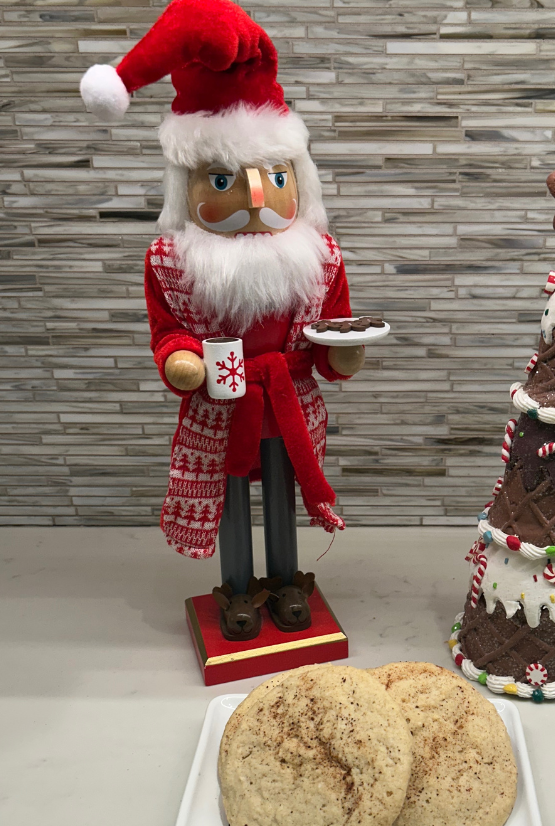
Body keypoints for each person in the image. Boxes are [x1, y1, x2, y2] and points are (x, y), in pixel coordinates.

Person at [80, 0, 364, 614]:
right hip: (222, 404)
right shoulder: (172, 262)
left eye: (276, 178)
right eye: (223, 180)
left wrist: (341, 356)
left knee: (282, 492)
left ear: (299, 180)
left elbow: (331, 326)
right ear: (186, 188)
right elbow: (169, 330)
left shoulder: (321, 256)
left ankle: (287, 582)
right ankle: (237, 589)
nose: (257, 198)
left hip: (289, 404)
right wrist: (181, 358)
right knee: (229, 491)